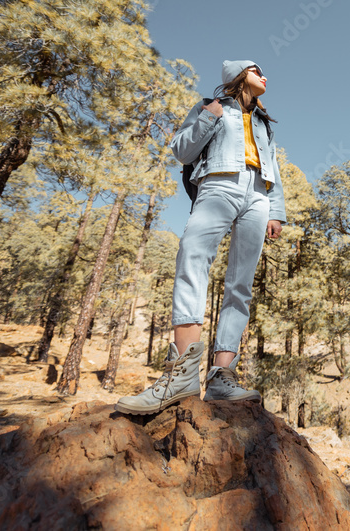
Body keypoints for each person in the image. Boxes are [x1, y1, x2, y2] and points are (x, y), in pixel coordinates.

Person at [115, 60, 286, 414]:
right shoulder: (212, 107)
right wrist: (208, 117)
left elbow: (276, 169)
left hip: (258, 195)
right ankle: (181, 374)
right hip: (218, 184)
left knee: (241, 284)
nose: (264, 75)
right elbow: (181, 149)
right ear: (238, 77)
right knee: (192, 255)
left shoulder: (264, 124)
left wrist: (275, 211)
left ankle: (222, 376)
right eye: (256, 70)